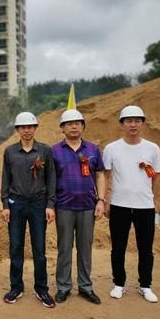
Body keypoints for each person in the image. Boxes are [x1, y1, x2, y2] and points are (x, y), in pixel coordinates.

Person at [103, 105, 160, 303]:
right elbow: (105, 175)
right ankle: (119, 283)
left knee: (146, 249)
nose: (133, 124)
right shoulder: (111, 148)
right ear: (122, 124)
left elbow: (157, 176)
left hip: (145, 206)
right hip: (119, 205)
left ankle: (145, 285)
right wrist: (106, 200)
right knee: (118, 247)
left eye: (137, 121)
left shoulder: (152, 148)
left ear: (143, 124)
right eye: (128, 121)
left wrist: (155, 200)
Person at [0, 112, 57, 308]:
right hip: (16, 204)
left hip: (39, 204)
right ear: (17, 130)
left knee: (39, 249)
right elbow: (5, 180)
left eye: (30, 127)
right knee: (16, 247)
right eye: (23, 127)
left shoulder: (45, 150)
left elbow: (51, 179)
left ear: (35, 128)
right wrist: (5, 205)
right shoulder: (9, 151)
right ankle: (16, 287)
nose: (26, 130)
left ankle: (41, 289)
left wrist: (50, 205)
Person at [51, 110, 106, 305]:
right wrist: (51, 204)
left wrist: (101, 200)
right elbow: (50, 179)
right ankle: (63, 286)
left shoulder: (93, 149)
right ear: (62, 128)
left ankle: (85, 286)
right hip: (63, 206)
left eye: (77, 123)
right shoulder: (54, 151)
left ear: (83, 126)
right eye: (69, 123)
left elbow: (100, 175)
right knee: (64, 247)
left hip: (87, 206)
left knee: (85, 248)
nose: (74, 126)